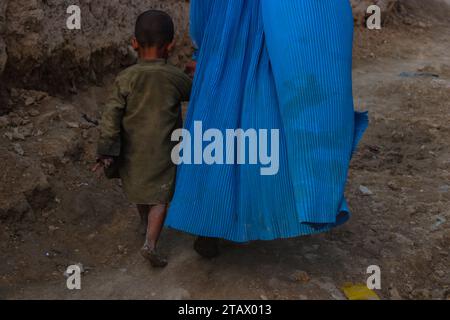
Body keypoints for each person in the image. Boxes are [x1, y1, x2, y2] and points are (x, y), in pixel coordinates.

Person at [166, 0, 368, 257]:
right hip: (272, 34)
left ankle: (209, 225)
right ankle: (282, 209)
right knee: (269, 120)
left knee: (219, 123)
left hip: (225, 35)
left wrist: (202, 44)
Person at [93, 10, 192, 268]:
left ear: (134, 43)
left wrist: (106, 150)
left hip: (132, 152)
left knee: (139, 189)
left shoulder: (125, 78)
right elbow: (196, 92)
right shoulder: (174, 77)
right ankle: (150, 243)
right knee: (160, 198)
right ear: (169, 46)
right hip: (163, 153)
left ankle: (143, 222)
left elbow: (110, 115)